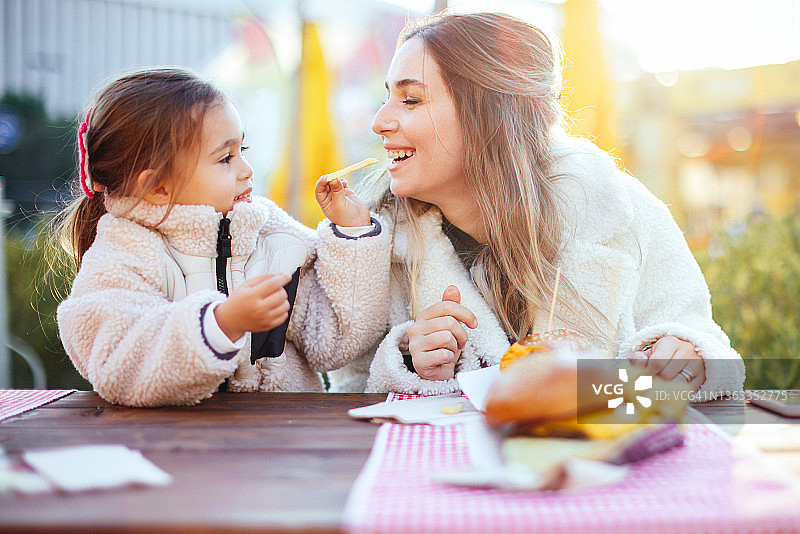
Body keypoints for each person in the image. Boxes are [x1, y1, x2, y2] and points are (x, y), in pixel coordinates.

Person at [327, 12, 745, 398]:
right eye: (388, 97)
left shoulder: (623, 210)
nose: (378, 121)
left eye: (411, 100)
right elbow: (345, 394)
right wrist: (407, 363)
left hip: (602, 464)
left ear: (487, 111)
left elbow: (709, 346)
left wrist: (687, 355)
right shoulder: (372, 238)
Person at [56, 68, 389, 407]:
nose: (247, 169)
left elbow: (336, 341)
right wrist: (221, 324)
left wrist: (354, 234)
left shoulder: (271, 233)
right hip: (173, 449)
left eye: (242, 148)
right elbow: (120, 364)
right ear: (158, 187)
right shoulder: (123, 253)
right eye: (226, 157)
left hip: (285, 444)